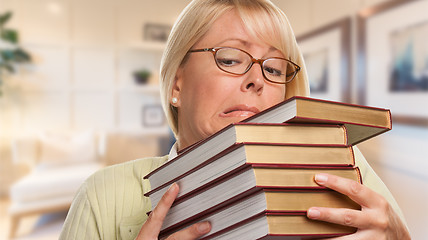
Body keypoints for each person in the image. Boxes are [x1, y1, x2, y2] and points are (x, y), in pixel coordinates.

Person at [60, 0, 411, 239]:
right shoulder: (103, 196)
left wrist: (398, 234)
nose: (257, 79)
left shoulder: (341, 166)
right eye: (229, 59)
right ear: (177, 85)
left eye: (273, 68)